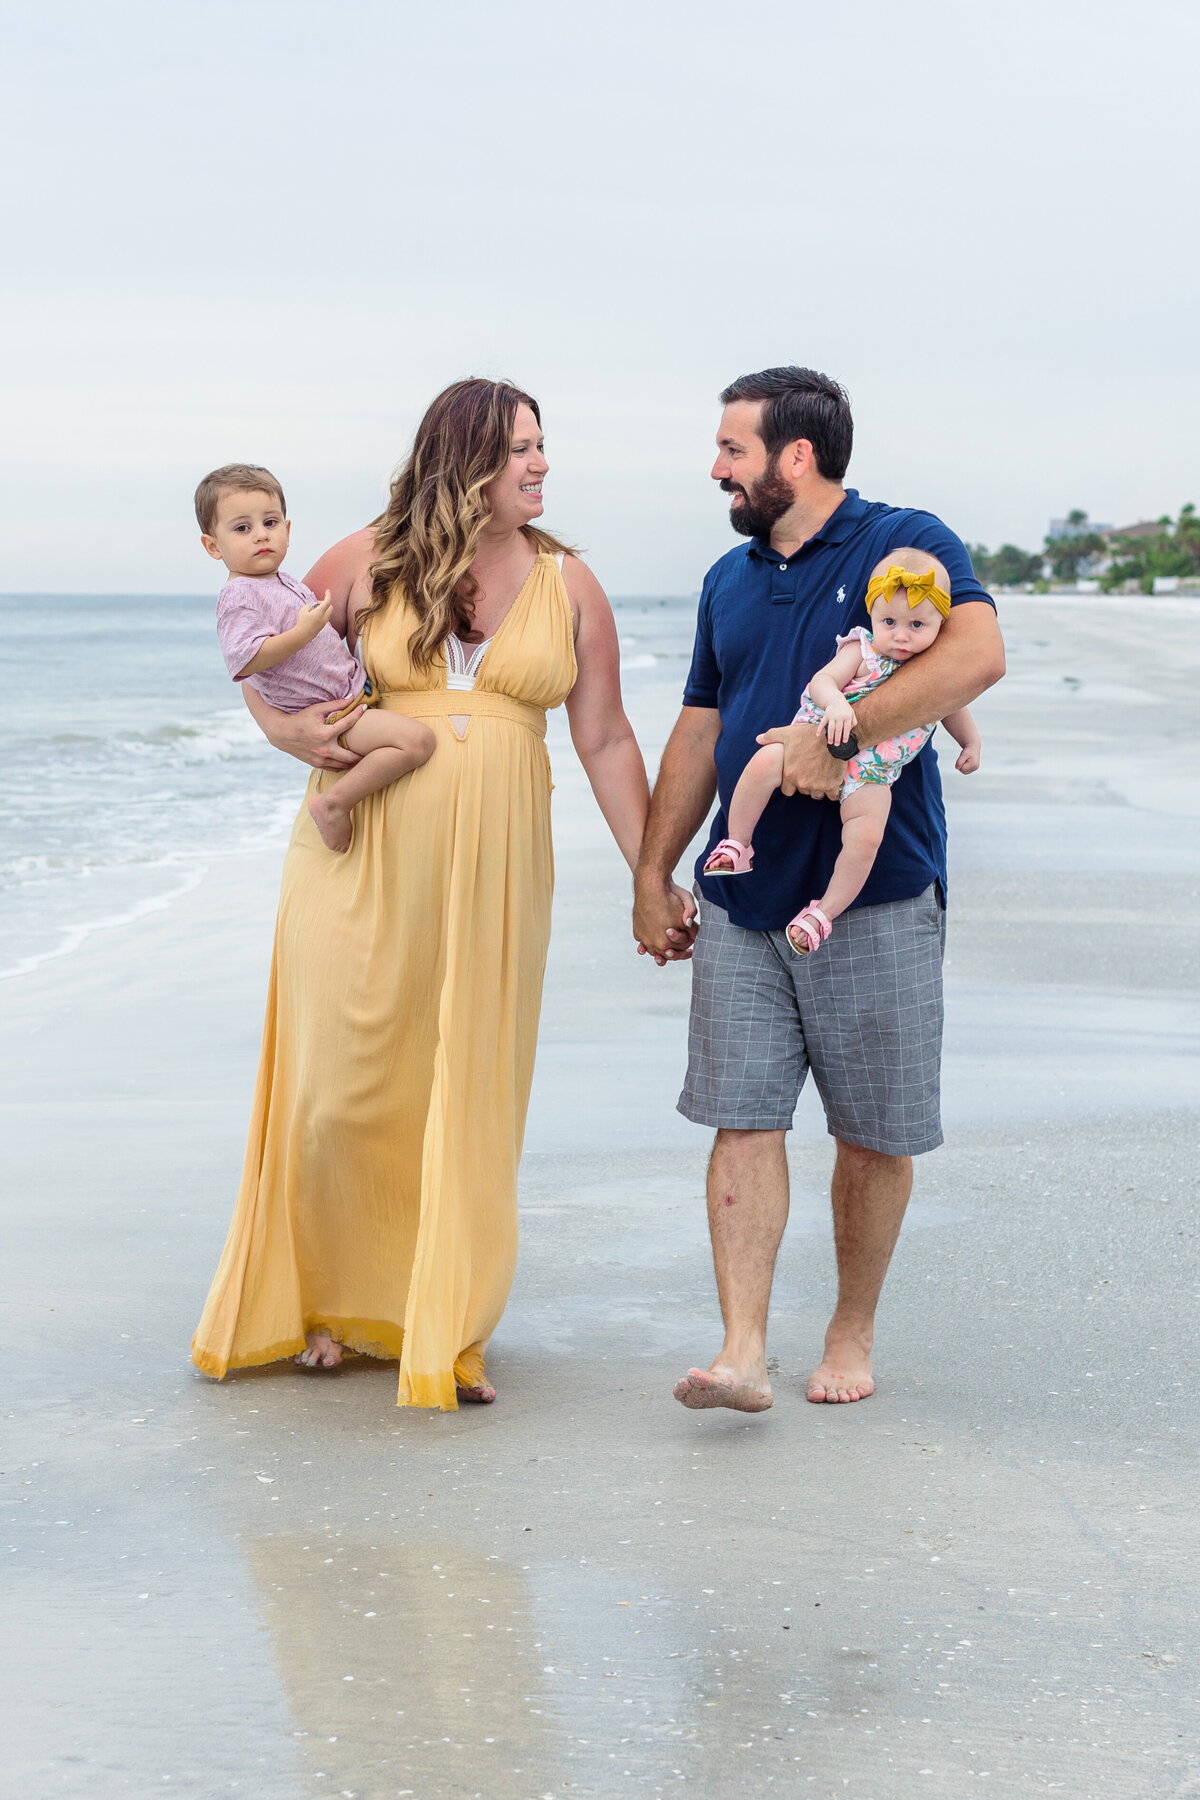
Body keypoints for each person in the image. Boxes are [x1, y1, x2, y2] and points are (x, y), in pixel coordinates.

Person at [193, 379, 676, 1408]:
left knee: (467, 1090)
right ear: (463, 461)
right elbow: (267, 659)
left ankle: (442, 1322)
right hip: (356, 844)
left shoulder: (569, 582)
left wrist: (649, 876)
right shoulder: (364, 559)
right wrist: (282, 735)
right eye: (519, 450)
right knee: (339, 1086)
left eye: (544, 447)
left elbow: (602, 736)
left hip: (497, 861)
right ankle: (325, 1302)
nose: (541, 465)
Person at [632, 366, 1005, 1410]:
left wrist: (841, 734)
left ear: (796, 456)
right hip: (745, 905)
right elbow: (702, 729)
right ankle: (742, 1350)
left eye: (733, 450)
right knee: (740, 1116)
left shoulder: (904, 540)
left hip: (874, 893)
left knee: (873, 1133)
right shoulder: (728, 579)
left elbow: (979, 655)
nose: (717, 469)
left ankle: (850, 1333)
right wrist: (652, 872)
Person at [702, 547, 981, 954]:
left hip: (873, 772)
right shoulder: (863, 650)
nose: (900, 635)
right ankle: (738, 842)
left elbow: (953, 704)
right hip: (814, 736)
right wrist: (835, 703)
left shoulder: (934, 671)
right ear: (872, 617)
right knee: (763, 761)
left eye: (917, 624)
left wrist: (969, 741)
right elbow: (822, 681)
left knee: (865, 838)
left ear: (941, 622)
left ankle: (823, 913)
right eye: (889, 622)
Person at [197, 464, 435, 852]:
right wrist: (301, 634)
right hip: (332, 714)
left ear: (287, 531)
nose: (261, 535)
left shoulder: (283, 581)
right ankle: (333, 805)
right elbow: (243, 660)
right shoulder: (238, 595)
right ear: (212, 546)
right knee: (417, 742)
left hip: (354, 696)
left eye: (270, 522)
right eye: (242, 528)